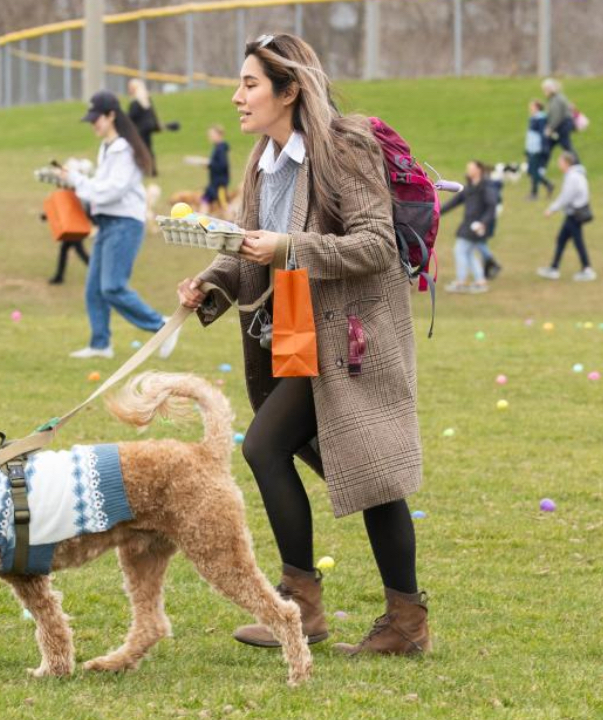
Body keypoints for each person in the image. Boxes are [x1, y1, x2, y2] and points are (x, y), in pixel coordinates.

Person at [177, 33, 430, 656]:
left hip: (353, 339)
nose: (237, 97)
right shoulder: (262, 159)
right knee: (360, 474)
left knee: (282, 449)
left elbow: (377, 245)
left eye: (250, 84)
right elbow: (246, 247)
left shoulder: (344, 148)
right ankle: (380, 618)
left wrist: (291, 249)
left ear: (288, 91)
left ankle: (321, 609)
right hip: (297, 336)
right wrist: (209, 285)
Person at [61, 90, 179, 360]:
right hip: (107, 223)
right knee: (94, 289)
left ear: (111, 115)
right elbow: (99, 189)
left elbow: (110, 191)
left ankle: (162, 326)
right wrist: (74, 180)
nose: (93, 125)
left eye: (96, 119)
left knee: (113, 287)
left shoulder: (124, 150)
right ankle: (100, 344)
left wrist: (77, 180)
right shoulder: (107, 148)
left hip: (125, 223)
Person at [537, 151, 595, 281]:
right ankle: (554, 267)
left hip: (574, 214)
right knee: (561, 240)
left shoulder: (572, 177)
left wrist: (552, 209)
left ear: (567, 163)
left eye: (560, 162)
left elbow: (566, 196)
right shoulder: (576, 175)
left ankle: (587, 269)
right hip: (573, 213)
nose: (559, 165)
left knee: (577, 241)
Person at [441, 161, 498, 293]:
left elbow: (492, 207)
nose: (468, 170)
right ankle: (480, 282)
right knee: (469, 253)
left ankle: (461, 282)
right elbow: (454, 202)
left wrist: (482, 223)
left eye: (471, 168)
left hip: (477, 227)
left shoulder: (486, 187)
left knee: (460, 251)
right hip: (468, 225)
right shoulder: (470, 187)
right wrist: (437, 211)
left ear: (479, 170)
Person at [126, 79, 160, 176]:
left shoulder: (136, 102)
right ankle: (152, 170)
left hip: (141, 130)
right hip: (147, 128)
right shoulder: (146, 99)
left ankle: (145, 170)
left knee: (141, 150)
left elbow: (131, 116)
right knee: (148, 149)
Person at [525, 100, 554, 199]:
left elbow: (543, 134)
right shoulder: (534, 118)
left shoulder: (541, 118)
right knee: (532, 171)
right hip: (531, 148)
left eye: (532, 106)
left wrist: (543, 147)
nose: (530, 109)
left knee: (534, 171)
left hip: (537, 148)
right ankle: (546, 186)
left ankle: (536, 192)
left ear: (537, 107)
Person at [199, 125, 231, 216]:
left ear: (219, 135)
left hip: (219, 183)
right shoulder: (217, 147)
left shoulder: (221, 148)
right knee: (205, 200)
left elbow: (222, 165)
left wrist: (209, 164)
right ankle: (200, 222)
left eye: (212, 134)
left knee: (224, 204)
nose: (210, 137)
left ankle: (234, 221)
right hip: (213, 183)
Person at [542, 78, 575, 154]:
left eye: (545, 90)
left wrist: (550, 128)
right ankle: (541, 164)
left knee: (566, 146)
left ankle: (576, 164)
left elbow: (557, 116)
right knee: (561, 145)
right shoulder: (557, 97)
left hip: (562, 125)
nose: (544, 92)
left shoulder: (555, 99)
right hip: (563, 125)